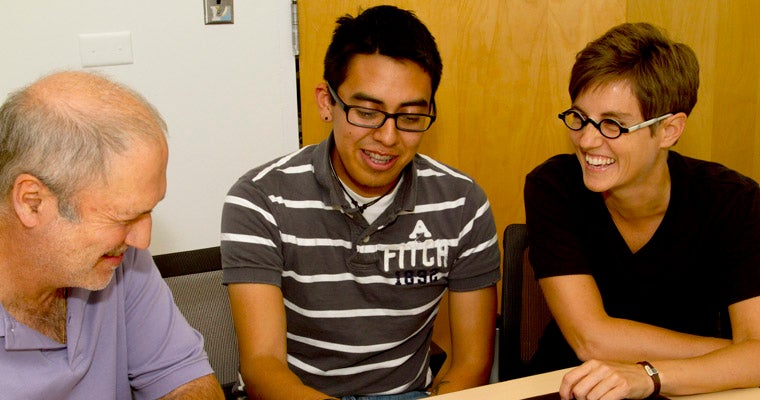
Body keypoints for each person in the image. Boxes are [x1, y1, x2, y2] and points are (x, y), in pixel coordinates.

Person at [221, 5, 500, 399]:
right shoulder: (260, 198)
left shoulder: (462, 203)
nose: (387, 137)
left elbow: (471, 362)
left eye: (410, 116)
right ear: (326, 102)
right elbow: (263, 366)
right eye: (367, 112)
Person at [524, 22, 760, 399]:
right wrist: (740, 355)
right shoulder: (554, 185)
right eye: (579, 118)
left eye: (613, 125)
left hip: (696, 391)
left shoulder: (733, 200)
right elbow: (592, 340)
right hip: (569, 385)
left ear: (670, 130)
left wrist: (651, 376)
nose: (587, 140)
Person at [0, 71, 224, 400]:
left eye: (149, 211)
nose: (142, 239)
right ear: (32, 202)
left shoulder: (121, 260)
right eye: (125, 217)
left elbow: (185, 380)